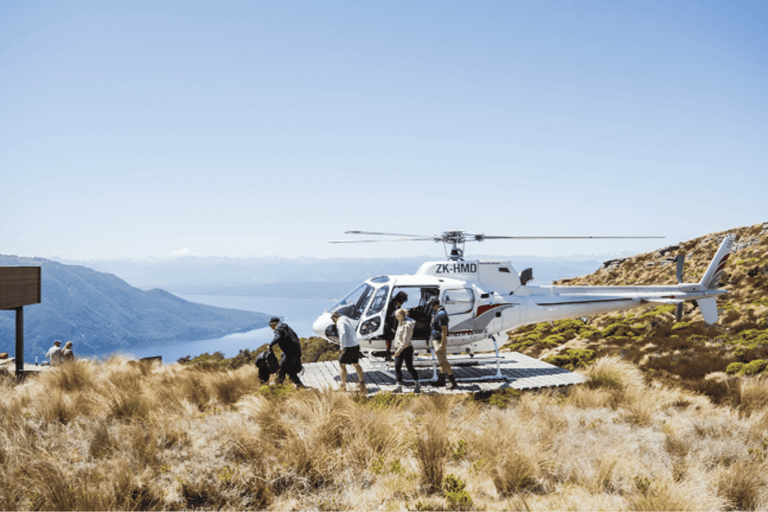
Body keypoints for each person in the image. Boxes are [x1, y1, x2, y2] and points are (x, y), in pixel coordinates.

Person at [331, 312, 367, 394]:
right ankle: (362, 383)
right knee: (356, 364)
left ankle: (342, 386)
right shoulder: (346, 319)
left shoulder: (340, 322)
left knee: (342, 364)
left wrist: (342, 347)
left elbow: (343, 333)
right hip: (356, 345)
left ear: (335, 318)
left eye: (334, 321)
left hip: (349, 346)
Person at [428, 298, 459, 390]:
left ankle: (453, 382)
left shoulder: (441, 314)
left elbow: (444, 330)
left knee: (443, 361)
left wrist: (442, 343)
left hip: (439, 340)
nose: (430, 306)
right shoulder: (439, 312)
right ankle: (441, 380)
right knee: (442, 361)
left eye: (431, 304)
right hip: (436, 339)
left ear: (434, 304)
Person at [268, 317, 306, 388]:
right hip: (296, 351)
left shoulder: (279, 329)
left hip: (290, 353)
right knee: (289, 369)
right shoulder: (286, 326)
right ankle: (299, 385)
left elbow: (278, 336)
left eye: (270, 325)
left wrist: (271, 344)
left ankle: (279, 385)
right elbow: (295, 336)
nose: (270, 326)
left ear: (274, 323)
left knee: (283, 368)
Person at [392, 308, 420, 394]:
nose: (395, 317)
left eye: (397, 316)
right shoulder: (400, 323)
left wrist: (399, 351)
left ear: (401, 316)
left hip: (406, 348)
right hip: (399, 348)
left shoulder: (407, 325)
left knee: (409, 367)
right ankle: (399, 385)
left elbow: (406, 341)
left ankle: (417, 384)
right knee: (397, 366)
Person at [383, 291, 408, 361]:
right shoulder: (390, 304)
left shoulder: (396, 304)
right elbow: (389, 315)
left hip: (393, 324)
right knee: (389, 339)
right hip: (388, 324)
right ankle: (388, 354)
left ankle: (392, 354)